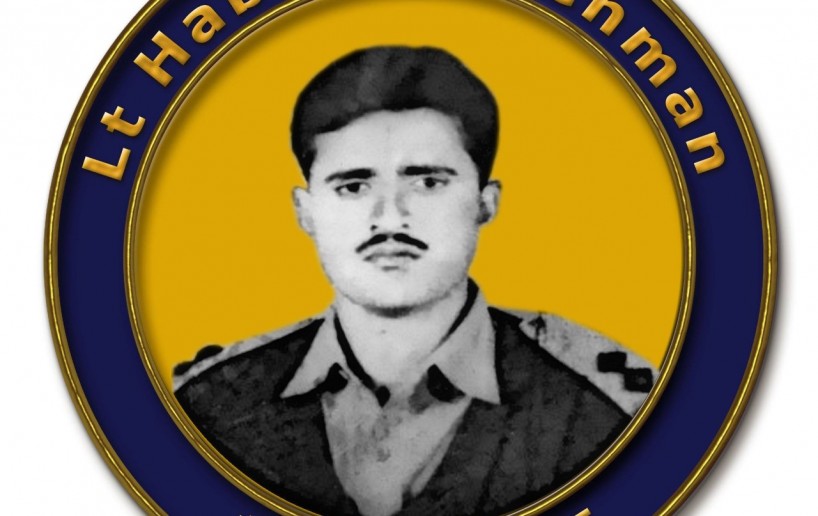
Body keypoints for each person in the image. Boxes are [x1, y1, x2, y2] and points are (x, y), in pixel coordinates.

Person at [173, 46, 656, 516]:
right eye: (353, 186)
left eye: (427, 182)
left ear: (486, 203)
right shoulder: (203, 406)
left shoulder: (616, 407)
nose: (389, 219)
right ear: (306, 211)